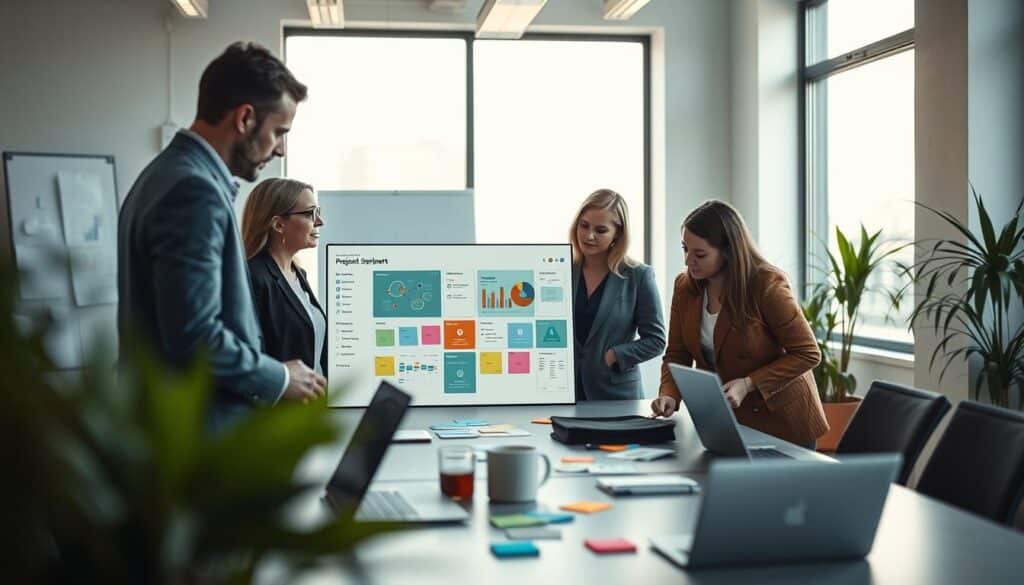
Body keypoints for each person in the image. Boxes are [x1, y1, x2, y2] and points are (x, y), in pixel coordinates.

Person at [117, 42, 325, 431]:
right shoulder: (192, 191)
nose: (279, 149)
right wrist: (280, 377)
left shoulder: (164, 173)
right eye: (279, 132)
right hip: (190, 434)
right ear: (245, 118)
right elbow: (195, 337)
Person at [651, 200, 828, 447]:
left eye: (700, 254)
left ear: (728, 251)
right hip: (728, 421)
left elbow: (808, 353)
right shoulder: (685, 287)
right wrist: (669, 393)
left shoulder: (766, 285)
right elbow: (677, 353)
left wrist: (748, 383)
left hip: (782, 421)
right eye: (685, 249)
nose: (688, 261)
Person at [570, 189, 666, 400]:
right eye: (584, 225)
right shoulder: (561, 272)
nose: (589, 235)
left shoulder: (638, 276)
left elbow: (656, 340)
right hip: (568, 392)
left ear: (618, 234)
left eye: (601, 230)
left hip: (617, 394)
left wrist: (614, 356)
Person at [241, 178, 327, 377]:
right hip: (277, 405)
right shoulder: (253, 277)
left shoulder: (299, 274)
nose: (319, 222)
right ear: (279, 224)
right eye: (310, 214)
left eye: (318, 212)